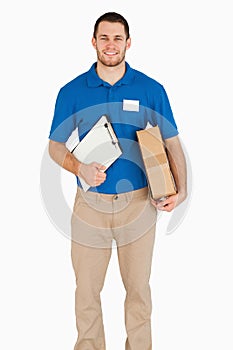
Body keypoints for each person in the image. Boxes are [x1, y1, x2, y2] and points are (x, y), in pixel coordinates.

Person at [48, 12, 187, 350]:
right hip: (89, 206)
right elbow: (55, 146)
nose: (111, 45)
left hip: (139, 205)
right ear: (93, 42)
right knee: (86, 291)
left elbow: (172, 143)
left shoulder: (151, 89)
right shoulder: (72, 92)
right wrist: (79, 168)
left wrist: (182, 191)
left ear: (128, 42)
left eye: (117, 38)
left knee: (138, 291)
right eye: (104, 38)